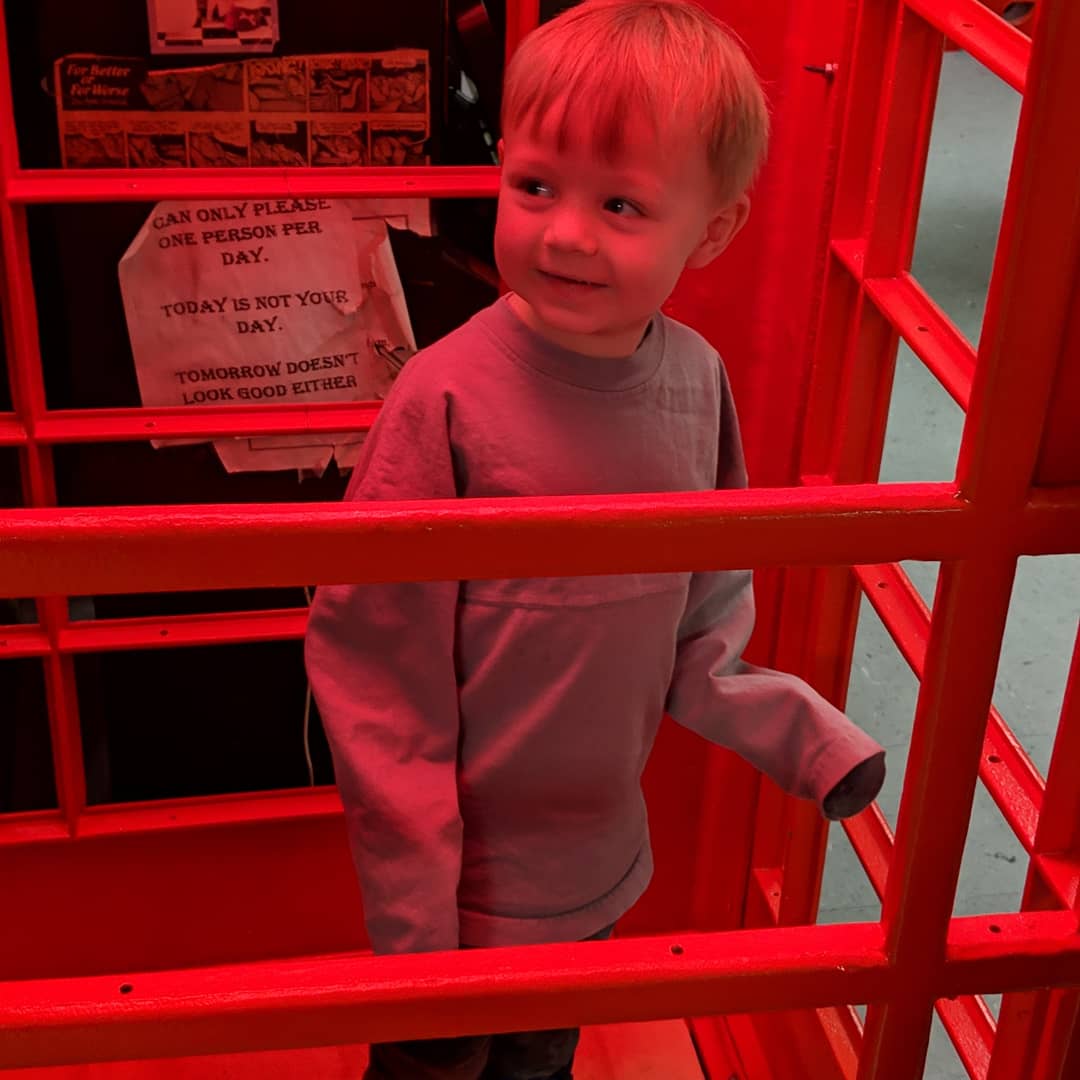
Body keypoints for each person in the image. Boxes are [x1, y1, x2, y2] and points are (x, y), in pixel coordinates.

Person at [304, 2, 886, 1077]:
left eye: (621, 203)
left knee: (541, 1066)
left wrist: (801, 735)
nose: (564, 232)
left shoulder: (697, 382)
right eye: (535, 186)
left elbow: (704, 616)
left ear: (711, 233)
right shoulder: (442, 400)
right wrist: (417, 922)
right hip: (453, 902)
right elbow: (377, 672)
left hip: (596, 873)